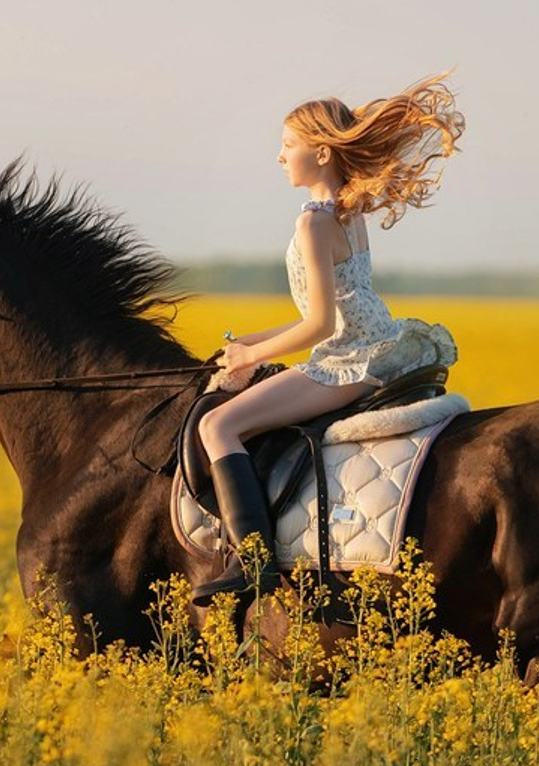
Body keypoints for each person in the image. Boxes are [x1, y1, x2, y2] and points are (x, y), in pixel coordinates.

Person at [192, 73, 464, 605]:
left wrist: (252, 355)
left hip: (346, 363)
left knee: (218, 425)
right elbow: (338, 307)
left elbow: (319, 327)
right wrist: (248, 342)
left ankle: (253, 564)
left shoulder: (314, 224)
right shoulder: (350, 212)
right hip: (380, 346)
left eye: (287, 145)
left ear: (319, 153)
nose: (279, 157)